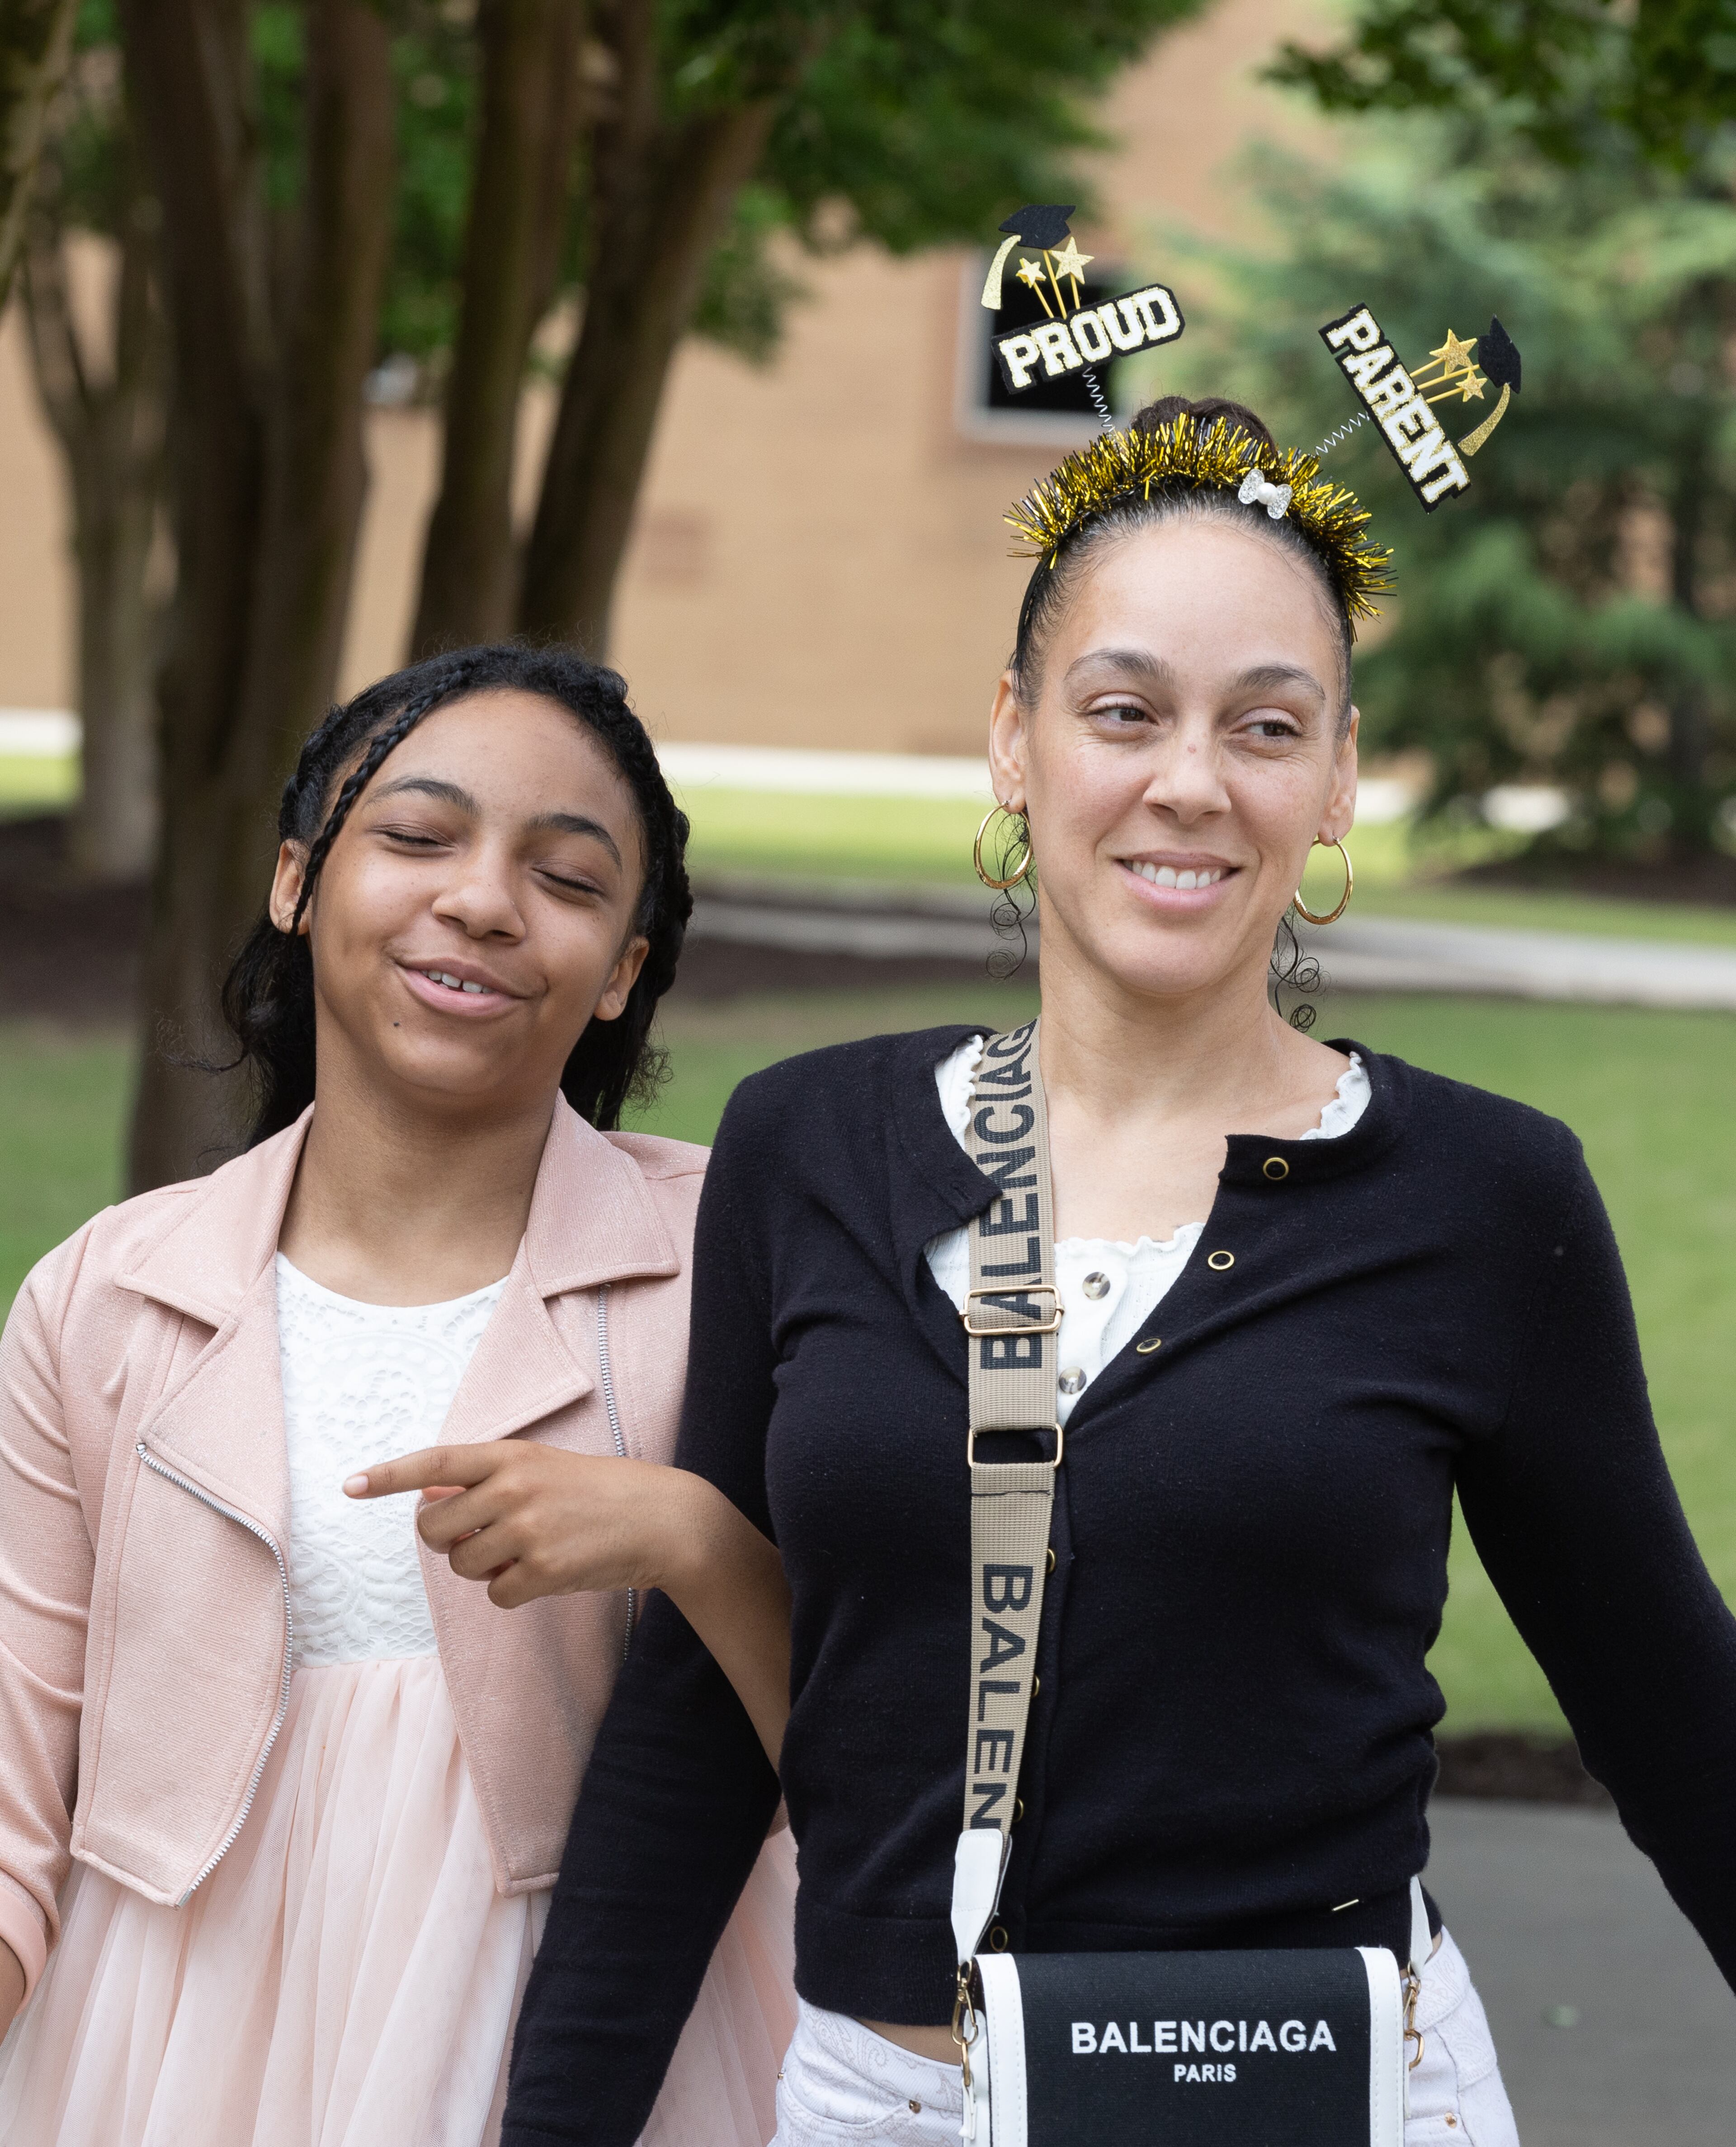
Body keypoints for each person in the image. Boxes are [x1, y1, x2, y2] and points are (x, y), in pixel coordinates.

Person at [500, 399, 1736, 2147]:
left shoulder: (1484, 1196)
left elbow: (1670, 1704)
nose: (1190, 781)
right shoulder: (809, 1147)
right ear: (1015, 740)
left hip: (1339, 2103)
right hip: (893, 2104)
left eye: (1267, 726)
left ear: (1338, 777)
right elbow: (700, 1717)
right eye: (1124, 710)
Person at [0, 644, 797, 2147]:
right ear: (298, 881)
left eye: (566, 878)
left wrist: (693, 1535)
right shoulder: (103, 1297)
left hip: (610, 2053)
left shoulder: (734, 1263)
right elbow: (11, 1801)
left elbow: (869, 1760)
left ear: (627, 965)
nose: (484, 901)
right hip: (171, 2063)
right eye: (419, 838)